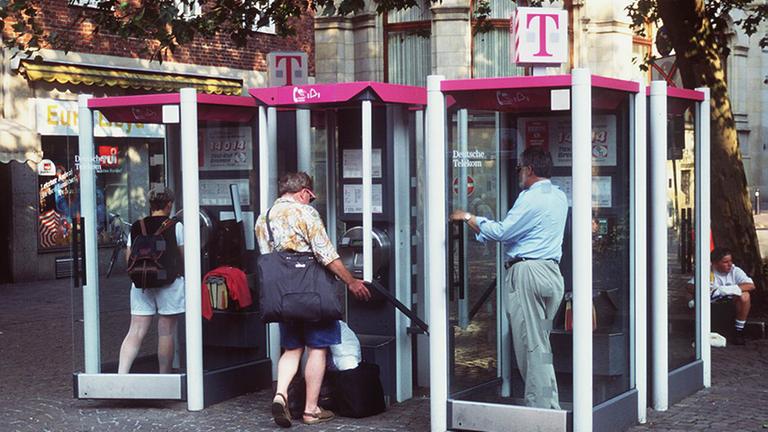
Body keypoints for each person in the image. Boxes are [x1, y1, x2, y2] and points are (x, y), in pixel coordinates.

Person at [450, 146, 568, 409]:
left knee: (531, 346)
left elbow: (503, 231)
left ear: (529, 169)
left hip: (528, 274)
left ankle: (543, 411)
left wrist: (469, 217)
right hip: (551, 275)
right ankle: (549, 404)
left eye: (519, 168)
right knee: (541, 344)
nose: (517, 174)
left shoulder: (531, 197)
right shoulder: (559, 196)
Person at [255, 172, 371, 428]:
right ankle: (311, 410)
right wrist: (351, 281)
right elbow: (325, 253)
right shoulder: (306, 213)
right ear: (304, 192)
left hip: (283, 296)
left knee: (292, 349)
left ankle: (280, 394)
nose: (310, 201)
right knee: (317, 348)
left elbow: (269, 257)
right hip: (313, 293)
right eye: (311, 197)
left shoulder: (264, 218)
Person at [117, 185, 184, 374]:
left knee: (135, 331)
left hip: (141, 284)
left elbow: (129, 257)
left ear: (150, 204)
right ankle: (164, 377)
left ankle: (121, 375)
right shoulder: (176, 226)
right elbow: (184, 257)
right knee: (166, 332)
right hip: (169, 283)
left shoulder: (137, 226)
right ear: (169, 204)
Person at [687, 247, 755, 345]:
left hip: (731, 304)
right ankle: (700, 329)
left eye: (730, 261)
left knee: (745, 295)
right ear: (715, 263)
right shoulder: (708, 271)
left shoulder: (735, 270)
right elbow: (689, 286)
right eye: (725, 262)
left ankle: (739, 330)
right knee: (691, 296)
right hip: (711, 304)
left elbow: (751, 285)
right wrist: (705, 290)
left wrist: (725, 290)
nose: (730, 264)